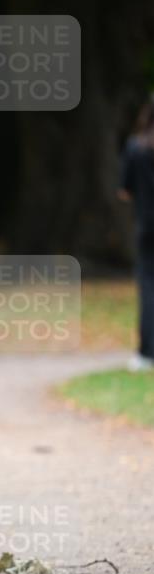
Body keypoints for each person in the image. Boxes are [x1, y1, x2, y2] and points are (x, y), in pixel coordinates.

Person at [118, 94, 154, 371]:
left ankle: (147, 352)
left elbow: (124, 192)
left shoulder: (135, 147)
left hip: (146, 227)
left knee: (148, 288)